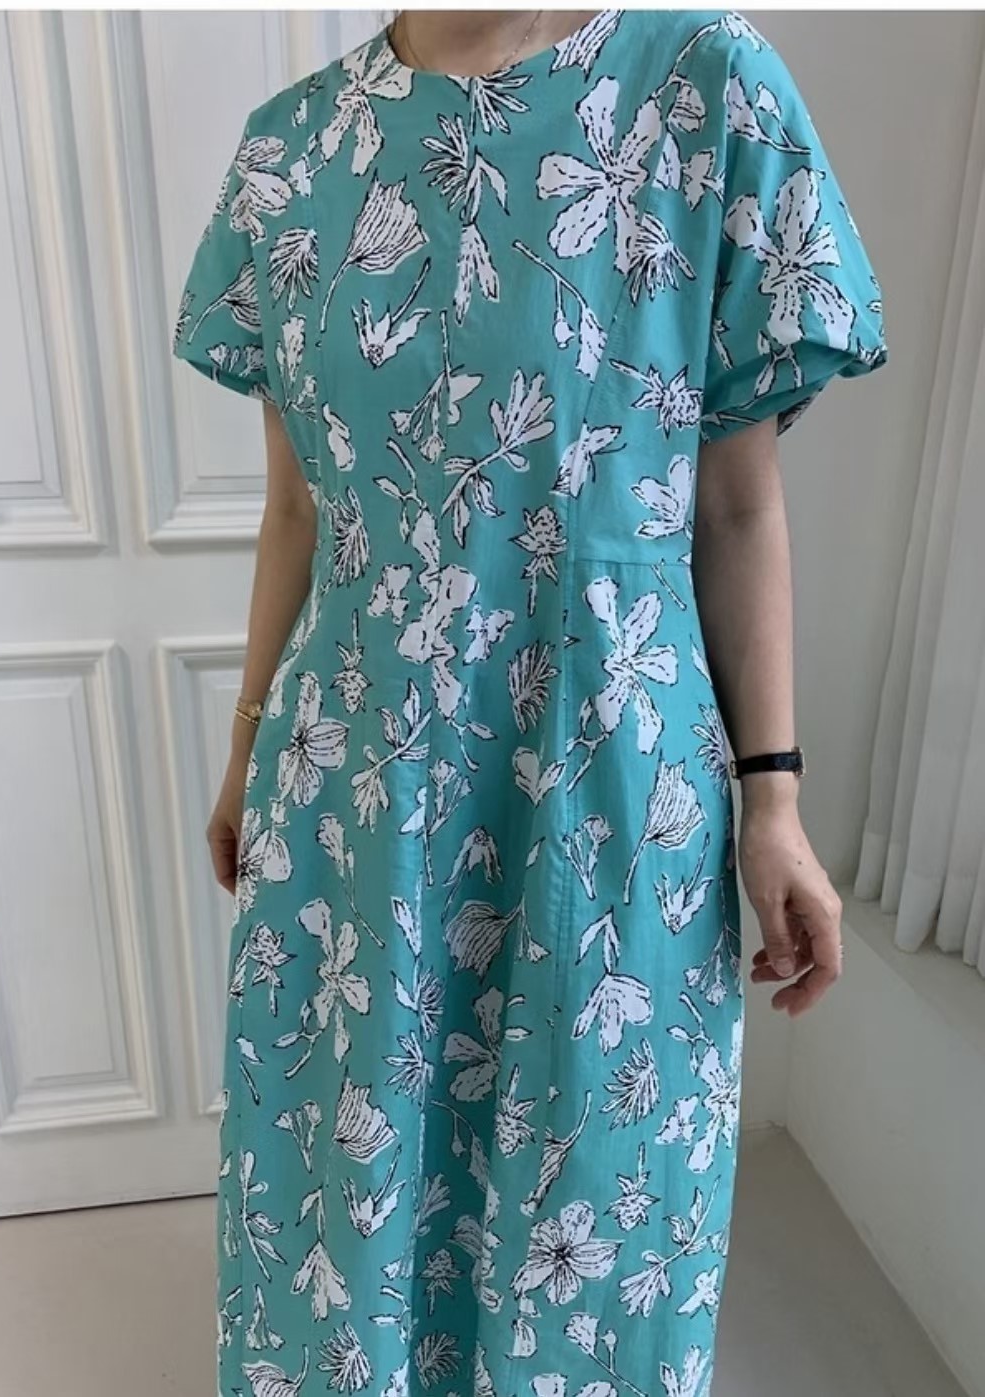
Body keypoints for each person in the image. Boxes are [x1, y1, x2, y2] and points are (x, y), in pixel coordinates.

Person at [170, 9, 888, 1395]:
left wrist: (777, 801)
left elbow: (736, 510)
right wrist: (247, 746)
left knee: (594, 1200)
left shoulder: (705, 88)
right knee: (357, 1190)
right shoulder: (288, 152)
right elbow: (296, 510)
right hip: (357, 783)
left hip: (608, 770)